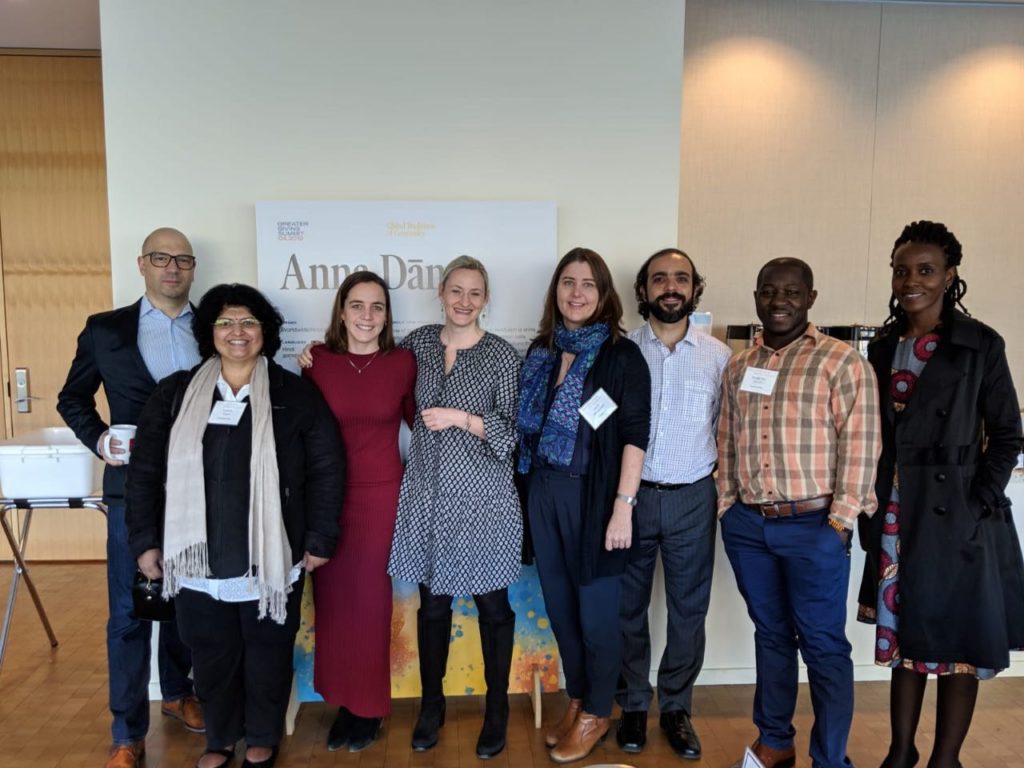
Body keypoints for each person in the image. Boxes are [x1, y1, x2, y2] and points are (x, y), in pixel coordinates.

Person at [125, 284, 345, 768]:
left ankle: (264, 736)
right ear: (209, 333)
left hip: (271, 553)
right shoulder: (177, 393)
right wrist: (145, 542)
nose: (237, 332)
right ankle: (220, 739)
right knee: (211, 653)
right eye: (225, 323)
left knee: (267, 651)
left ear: (265, 333)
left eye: (248, 322)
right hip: (198, 557)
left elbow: (327, 467)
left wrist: (320, 538)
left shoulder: (295, 395)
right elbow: (144, 473)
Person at [855, 221, 1024, 768]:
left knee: (958, 645)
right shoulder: (881, 348)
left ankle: (945, 759)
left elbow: (1008, 435)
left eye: (925, 270)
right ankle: (901, 751)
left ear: (949, 275)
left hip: (959, 517)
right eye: (902, 270)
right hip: (899, 511)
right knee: (907, 638)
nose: (912, 281)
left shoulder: (980, 344)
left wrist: (977, 502)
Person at [717, 257, 881, 768]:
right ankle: (774, 740)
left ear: (811, 298)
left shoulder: (843, 362)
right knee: (770, 634)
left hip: (815, 527)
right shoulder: (740, 365)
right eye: (769, 291)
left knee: (824, 645)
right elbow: (725, 437)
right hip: (748, 526)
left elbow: (861, 445)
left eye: (791, 292)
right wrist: (727, 504)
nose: (779, 301)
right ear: (756, 296)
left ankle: (830, 758)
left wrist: (840, 522)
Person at [57, 227, 204, 768]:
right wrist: (98, 438)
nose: (172, 268)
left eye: (182, 260)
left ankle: (180, 693)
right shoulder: (105, 330)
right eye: (162, 258)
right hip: (130, 492)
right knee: (130, 609)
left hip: (200, 486)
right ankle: (127, 731)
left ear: (192, 268)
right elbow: (70, 397)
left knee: (188, 598)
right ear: (142, 264)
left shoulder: (214, 327)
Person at [517, 247, 651, 765]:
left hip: (595, 500)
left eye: (588, 284)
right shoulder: (541, 352)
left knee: (597, 617)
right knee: (561, 610)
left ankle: (599, 711)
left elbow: (635, 435)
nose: (577, 293)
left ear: (604, 295)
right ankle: (577, 702)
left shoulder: (621, 356)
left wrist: (624, 507)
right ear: (556, 291)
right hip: (543, 492)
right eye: (568, 282)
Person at [386, 255, 523, 759]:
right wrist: (318, 355)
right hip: (426, 495)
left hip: (484, 500)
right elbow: (377, 379)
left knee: (493, 608)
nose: (464, 302)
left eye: (475, 293)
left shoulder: (503, 357)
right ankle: (431, 706)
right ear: (441, 292)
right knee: (434, 607)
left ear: (485, 300)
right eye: (456, 291)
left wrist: (464, 418)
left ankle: (497, 709)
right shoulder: (417, 344)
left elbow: (511, 437)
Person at [616, 248, 730, 760]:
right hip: (632, 500)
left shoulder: (720, 357)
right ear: (643, 290)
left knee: (689, 610)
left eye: (680, 278)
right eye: (659, 278)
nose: (670, 287)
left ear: (694, 289)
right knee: (627, 608)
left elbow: (728, 430)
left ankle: (677, 708)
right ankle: (634, 704)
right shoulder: (620, 351)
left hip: (692, 498)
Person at [301, 271, 416, 753]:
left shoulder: (404, 362)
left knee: (370, 605)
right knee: (332, 606)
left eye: (377, 307)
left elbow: (423, 424)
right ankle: (343, 704)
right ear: (341, 311)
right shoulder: (317, 363)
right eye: (357, 305)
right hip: (327, 501)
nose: (367, 316)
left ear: (387, 315)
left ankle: (368, 709)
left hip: (382, 497)